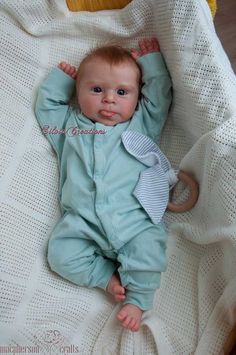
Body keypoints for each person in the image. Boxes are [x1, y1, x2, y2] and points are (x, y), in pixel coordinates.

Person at [35, 38, 197, 332]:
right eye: (97, 90)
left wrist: (151, 64)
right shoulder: (68, 128)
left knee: (148, 251)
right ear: (78, 92)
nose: (109, 99)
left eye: (122, 92)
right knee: (59, 254)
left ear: (136, 98)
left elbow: (159, 97)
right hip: (83, 222)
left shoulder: (140, 124)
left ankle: (138, 299)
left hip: (134, 219)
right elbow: (46, 108)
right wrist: (61, 81)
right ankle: (105, 277)